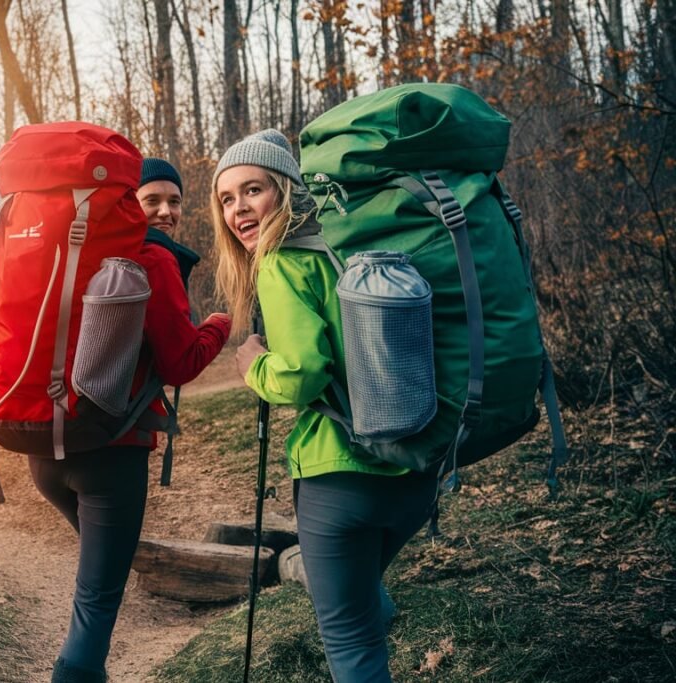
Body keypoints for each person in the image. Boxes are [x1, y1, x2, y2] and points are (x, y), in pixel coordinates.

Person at [210, 129, 435, 683]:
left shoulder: (283, 261)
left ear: (284, 190)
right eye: (226, 198)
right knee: (359, 599)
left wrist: (253, 367)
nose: (239, 208)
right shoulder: (352, 244)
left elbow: (303, 376)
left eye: (253, 190)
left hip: (339, 480)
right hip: (413, 470)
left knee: (352, 647)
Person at [33, 157, 232, 683]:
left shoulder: (71, 252)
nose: (166, 211)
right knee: (96, 604)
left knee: (103, 568)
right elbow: (181, 362)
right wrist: (219, 324)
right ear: (130, 203)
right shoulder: (152, 259)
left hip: (43, 450)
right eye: (152, 200)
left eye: (174, 201)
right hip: (112, 453)